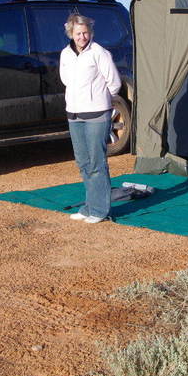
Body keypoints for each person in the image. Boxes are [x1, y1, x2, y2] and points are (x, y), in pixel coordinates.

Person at [59, 12, 121, 223]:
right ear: (71, 33)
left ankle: (100, 210)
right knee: (83, 162)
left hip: (97, 114)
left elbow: (114, 83)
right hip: (74, 114)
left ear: (90, 32)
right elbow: (65, 80)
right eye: (78, 33)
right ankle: (89, 206)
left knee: (96, 163)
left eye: (85, 32)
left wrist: (100, 100)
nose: (82, 37)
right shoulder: (65, 54)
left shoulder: (99, 52)